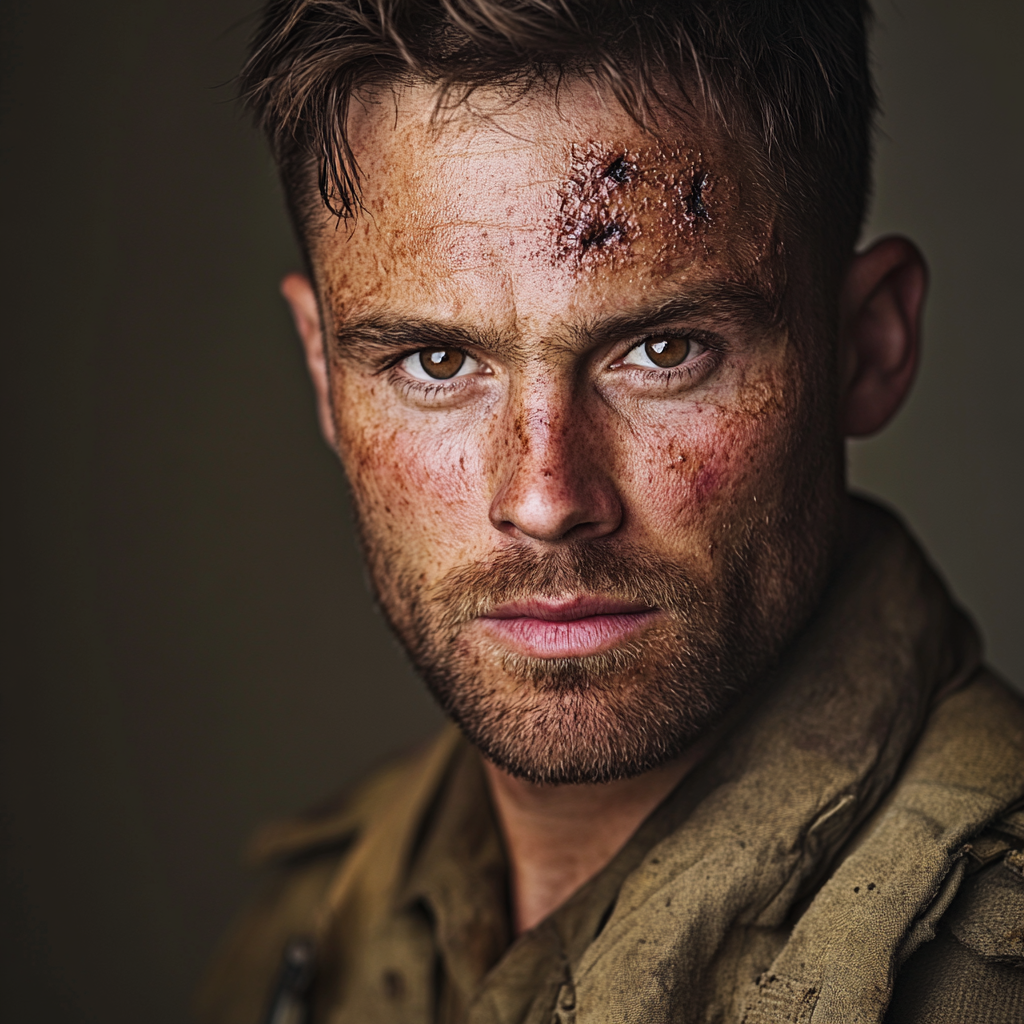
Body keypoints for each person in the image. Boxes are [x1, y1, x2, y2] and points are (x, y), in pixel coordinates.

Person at [197, 2, 1024, 1022]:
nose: (544, 499)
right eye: (437, 361)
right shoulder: (307, 927)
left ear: (867, 344)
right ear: (325, 373)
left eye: (663, 351)